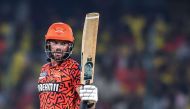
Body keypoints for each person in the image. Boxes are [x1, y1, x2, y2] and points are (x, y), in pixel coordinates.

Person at [37, 22, 98, 109]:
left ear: (69, 47)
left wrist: (90, 100)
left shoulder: (73, 68)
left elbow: (86, 99)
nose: (58, 47)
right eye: (55, 42)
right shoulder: (44, 68)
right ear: (48, 45)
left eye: (63, 44)